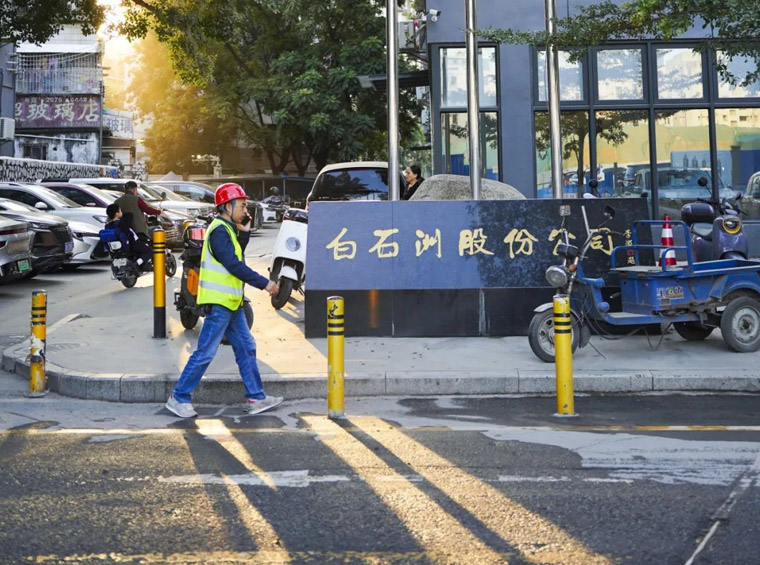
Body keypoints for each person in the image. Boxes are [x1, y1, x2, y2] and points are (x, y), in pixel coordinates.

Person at [165, 183, 283, 418]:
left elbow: (235, 252)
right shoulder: (219, 230)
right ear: (227, 206)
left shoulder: (228, 229)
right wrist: (265, 283)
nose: (245, 209)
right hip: (220, 304)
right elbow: (234, 265)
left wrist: (245, 231)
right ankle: (179, 397)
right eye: (241, 205)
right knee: (205, 352)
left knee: (246, 347)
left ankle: (256, 397)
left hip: (232, 303)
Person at [104, 204, 152, 268]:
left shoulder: (108, 226)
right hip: (131, 245)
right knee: (149, 251)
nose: (122, 212)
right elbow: (130, 214)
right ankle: (137, 263)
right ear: (116, 214)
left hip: (117, 248)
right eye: (120, 211)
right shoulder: (122, 223)